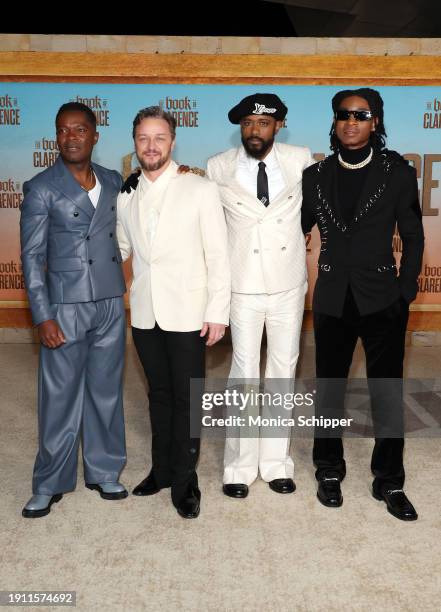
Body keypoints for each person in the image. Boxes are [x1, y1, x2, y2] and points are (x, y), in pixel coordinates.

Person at [301, 88, 424, 521]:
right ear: (335, 122)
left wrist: (404, 293)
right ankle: (329, 469)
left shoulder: (398, 172)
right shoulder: (314, 176)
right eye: (343, 115)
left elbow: (413, 235)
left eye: (361, 114)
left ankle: (389, 479)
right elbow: (288, 227)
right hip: (333, 297)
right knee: (329, 390)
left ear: (376, 122)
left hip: (382, 300)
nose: (351, 121)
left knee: (386, 393)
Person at [117, 106, 230, 519]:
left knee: (186, 399)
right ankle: (161, 469)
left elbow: (218, 254)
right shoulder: (126, 194)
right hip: (145, 312)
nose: (151, 145)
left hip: (189, 311)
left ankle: (186, 480)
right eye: (144, 138)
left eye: (159, 138)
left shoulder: (200, 189)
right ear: (135, 143)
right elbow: (122, 248)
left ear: (172, 141)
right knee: (158, 395)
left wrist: (218, 310)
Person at [20, 102, 128, 518]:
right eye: (63, 131)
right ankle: (49, 482)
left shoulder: (114, 181)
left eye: (79, 130)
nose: (70, 137)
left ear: (95, 135)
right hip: (63, 306)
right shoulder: (41, 187)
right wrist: (42, 315)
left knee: (105, 393)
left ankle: (104, 470)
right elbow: (31, 258)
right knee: (59, 397)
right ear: (56, 136)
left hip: (109, 303)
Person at [206, 93, 314, 498]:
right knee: (244, 373)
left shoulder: (300, 158)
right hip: (243, 283)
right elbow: (199, 208)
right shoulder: (219, 166)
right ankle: (237, 467)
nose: (255, 130)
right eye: (248, 123)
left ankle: (275, 464)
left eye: (263, 123)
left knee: (283, 372)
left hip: (288, 283)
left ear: (279, 126)